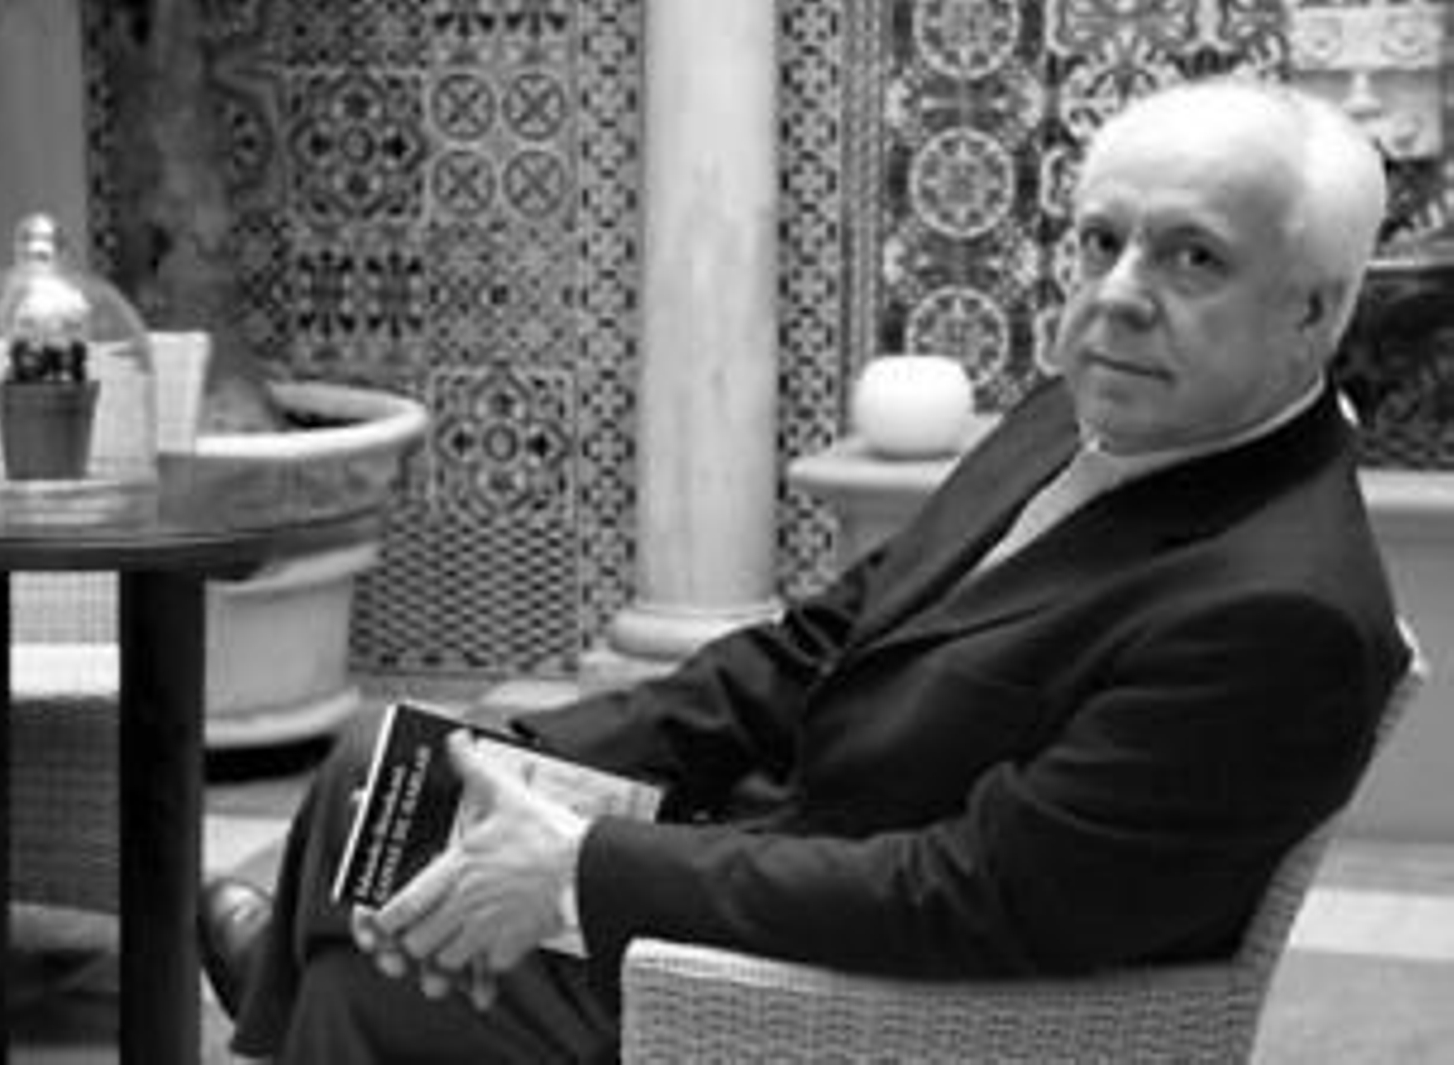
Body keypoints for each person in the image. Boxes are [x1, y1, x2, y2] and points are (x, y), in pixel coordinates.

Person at [199, 77, 1410, 1063]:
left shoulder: (1279, 616)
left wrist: (579, 869)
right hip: (791, 846)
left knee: (377, 975)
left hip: (866, 989)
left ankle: (309, 1005)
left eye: (1192, 259)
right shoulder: (1084, 408)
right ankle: (297, 1012)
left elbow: (979, 897)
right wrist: (536, 751)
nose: (1119, 297)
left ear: (1314, 311)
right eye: (1101, 242)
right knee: (391, 767)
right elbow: (822, 641)